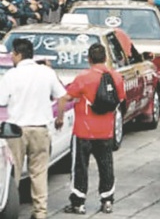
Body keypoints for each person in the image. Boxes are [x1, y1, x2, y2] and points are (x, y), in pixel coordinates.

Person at [54, 44, 126, 214]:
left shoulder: (83, 77)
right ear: (105, 58)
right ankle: (107, 200)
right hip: (106, 131)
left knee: (80, 166)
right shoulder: (115, 76)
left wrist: (60, 118)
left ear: (89, 59)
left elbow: (65, 98)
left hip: (83, 131)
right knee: (106, 165)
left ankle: (78, 202)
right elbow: (120, 99)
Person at [0, 38, 66, 219]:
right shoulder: (46, 72)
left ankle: (11, 207)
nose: (12, 57)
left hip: (16, 131)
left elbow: (1, 100)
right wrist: (59, 118)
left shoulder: (11, 76)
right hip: (40, 129)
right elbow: (62, 96)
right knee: (39, 172)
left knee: (12, 173)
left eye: (13, 54)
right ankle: (40, 211)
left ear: (19, 54)